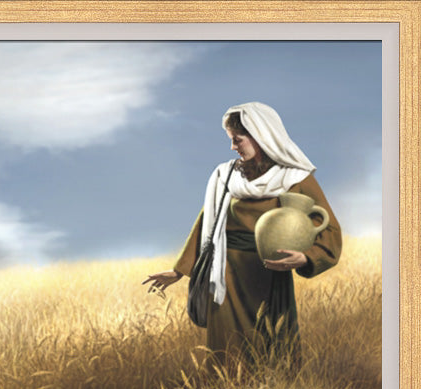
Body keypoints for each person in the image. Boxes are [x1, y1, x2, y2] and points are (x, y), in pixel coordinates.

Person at [143, 102, 342, 367]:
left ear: (260, 136)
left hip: (271, 275)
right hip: (226, 279)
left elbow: (328, 228)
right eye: (231, 140)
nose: (233, 147)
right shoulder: (226, 176)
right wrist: (179, 270)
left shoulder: (295, 178)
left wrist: (306, 258)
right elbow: (208, 223)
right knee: (226, 355)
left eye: (238, 140)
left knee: (273, 353)